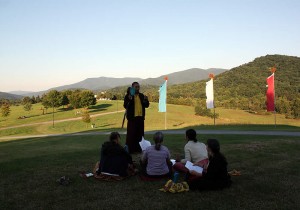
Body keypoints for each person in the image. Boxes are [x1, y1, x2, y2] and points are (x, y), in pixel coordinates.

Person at [123, 82, 150, 153]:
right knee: (131, 135)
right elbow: (125, 105)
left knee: (140, 135)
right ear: (132, 88)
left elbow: (146, 105)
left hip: (140, 118)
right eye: (136, 87)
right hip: (132, 118)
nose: (138, 88)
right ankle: (130, 150)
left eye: (138, 87)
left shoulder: (141, 95)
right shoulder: (128, 96)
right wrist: (129, 99)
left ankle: (139, 149)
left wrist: (146, 100)